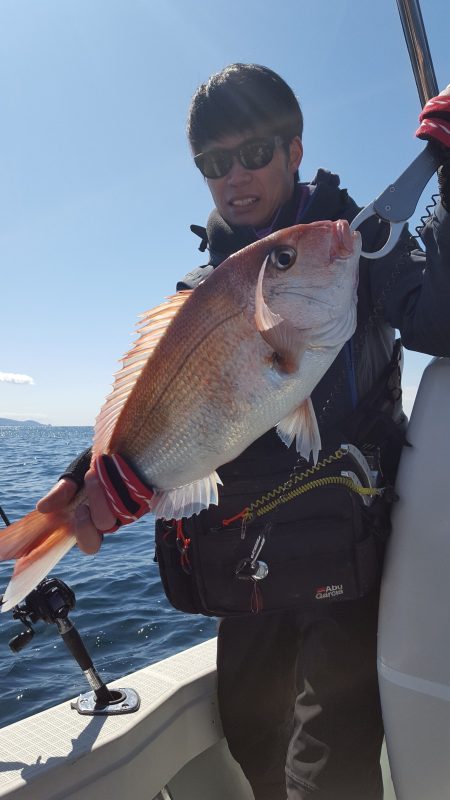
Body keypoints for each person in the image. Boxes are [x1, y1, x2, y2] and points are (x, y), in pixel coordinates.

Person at [37, 64, 450, 799]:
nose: (234, 176)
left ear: (295, 149)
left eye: (253, 152)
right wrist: (84, 482)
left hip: (346, 570)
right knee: (252, 737)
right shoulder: (203, 290)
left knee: (330, 769)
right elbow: (168, 406)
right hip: (246, 566)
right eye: (213, 163)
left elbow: (438, 318)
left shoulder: (354, 247)